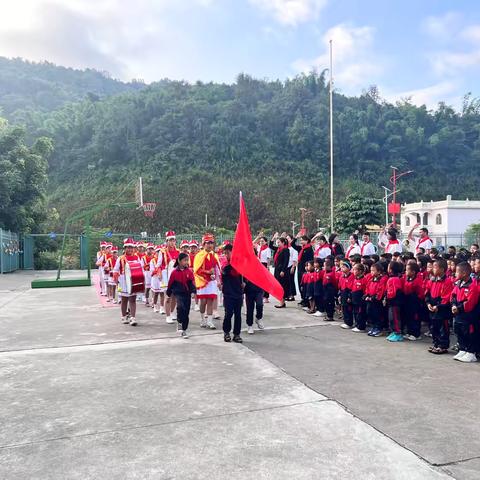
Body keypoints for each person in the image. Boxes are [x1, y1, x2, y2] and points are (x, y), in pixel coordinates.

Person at [451, 262, 479, 362]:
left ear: (464, 273)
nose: (455, 274)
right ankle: (463, 349)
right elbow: (453, 295)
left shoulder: (472, 285)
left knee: (469, 332)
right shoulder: (458, 284)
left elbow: (470, 301)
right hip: (458, 314)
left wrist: (459, 308)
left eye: (457, 272)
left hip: (468, 315)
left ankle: (471, 352)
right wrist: (454, 305)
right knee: (459, 331)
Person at [425, 259, 453, 354]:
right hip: (432, 307)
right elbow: (427, 292)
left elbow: (446, 297)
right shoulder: (432, 280)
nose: (433, 269)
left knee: (442, 328)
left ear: (442, 269)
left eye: (435, 267)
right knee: (433, 327)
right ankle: (436, 343)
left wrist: (438, 306)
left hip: (442, 310)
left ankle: (443, 345)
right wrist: (428, 303)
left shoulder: (447, 281)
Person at [166, 252, 196, 339]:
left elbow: (191, 283)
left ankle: (184, 330)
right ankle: (179, 322)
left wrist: (193, 292)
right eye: (185, 260)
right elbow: (170, 284)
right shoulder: (174, 272)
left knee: (186, 312)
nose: (186, 262)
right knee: (180, 306)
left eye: (187, 260)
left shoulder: (189, 272)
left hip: (187, 294)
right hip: (178, 293)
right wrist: (168, 295)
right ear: (179, 261)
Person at [193, 233, 220, 329]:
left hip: (212, 282)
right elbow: (196, 270)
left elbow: (217, 269)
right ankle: (202, 319)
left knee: (210, 301)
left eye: (211, 243)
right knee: (203, 301)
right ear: (203, 244)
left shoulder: (215, 255)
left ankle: (210, 321)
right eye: (207, 243)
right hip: (203, 282)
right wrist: (207, 272)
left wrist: (219, 280)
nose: (209, 245)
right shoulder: (199, 255)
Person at [113, 238, 140, 326]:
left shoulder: (136, 257)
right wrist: (116, 279)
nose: (130, 249)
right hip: (124, 281)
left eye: (131, 247)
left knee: (133, 300)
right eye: (128, 247)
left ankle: (133, 317)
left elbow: (140, 268)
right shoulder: (120, 258)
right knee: (124, 300)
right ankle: (124, 316)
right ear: (124, 248)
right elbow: (115, 270)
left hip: (134, 280)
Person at [221, 244, 243, 343]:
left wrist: (245, 282)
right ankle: (226, 332)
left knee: (238, 314)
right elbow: (226, 270)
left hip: (238, 292)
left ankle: (237, 334)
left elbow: (245, 273)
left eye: (228, 253)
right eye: (225, 253)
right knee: (228, 313)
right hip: (228, 292)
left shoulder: (240, 263)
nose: (226, 255)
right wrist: (234, 261)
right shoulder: (225, 263)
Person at [402, 262, 424, 340]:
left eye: (408, 270)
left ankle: (416, 334)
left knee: (415, 318)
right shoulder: (407, 278)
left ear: (413, 272)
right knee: (408, 316)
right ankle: (409, 332)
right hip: (407, 300)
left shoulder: (417, 280)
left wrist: (418, 299)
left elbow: (421, 292)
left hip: (415, 301)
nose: (406, 271)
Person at [365, 262, 388, 337]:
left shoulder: (382, 279)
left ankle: (378, 328)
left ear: (379, 271)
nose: (371, 272)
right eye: (371, 270)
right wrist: (367, 295)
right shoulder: (371, 279)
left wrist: (374, 297)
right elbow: (368, 288)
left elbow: (380, 290)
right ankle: (374, 327)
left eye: (373, 270)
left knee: (377, 314)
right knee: (370, 313)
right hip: (370, 300)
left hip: (377, 301)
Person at [291, 234, 314, 307]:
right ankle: (303, 298)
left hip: (305, 269)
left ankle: (306, 301)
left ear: (307, 241)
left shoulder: (309, 249)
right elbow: (292, 244)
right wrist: (295, 238)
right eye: (300, 240)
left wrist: (308, 268)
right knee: (300, 283)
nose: (301, 241)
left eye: (302, 240)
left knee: (305, 285)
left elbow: (310, 259)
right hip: (300, 268)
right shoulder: (301, 248)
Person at [269, 233, 290, 308]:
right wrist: (273, 238)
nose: (277, 244)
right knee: (278, 285)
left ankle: (282, 302)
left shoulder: (286, 250)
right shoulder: (278, 250)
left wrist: (283, 270)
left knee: (282, 285)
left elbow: (286, 261)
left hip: (281, 270)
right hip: (277, 269)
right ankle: (281, 301)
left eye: (279, 242)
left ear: (283, 243)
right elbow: (270, 246)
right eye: (277, 242)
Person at [386, 261, 405, 342]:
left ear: (391, 269)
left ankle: (398, 333)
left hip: (394, 302)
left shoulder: (394, 279)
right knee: (391, 318)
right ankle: (393, 331)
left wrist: (388, 297)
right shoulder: (392, 278)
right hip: (391, 302)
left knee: (395, 318)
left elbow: (394, 291)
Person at [164, 231, 180, 324]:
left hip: (176, 276)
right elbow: (159, 265)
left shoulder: (178, 252)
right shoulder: (163, 252)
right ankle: (168, 316)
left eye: (173, 240)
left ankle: (172, 312)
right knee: (168, 297)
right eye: (170, 240)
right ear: (167, 241)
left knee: (175, 296)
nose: (172, 242)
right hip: (167, 276)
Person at [253, 235, 272, 303]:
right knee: (258, 281)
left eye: (263, 241)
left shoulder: (267, 249)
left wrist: (268, 267)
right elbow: (252, 243)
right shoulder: (259, 247)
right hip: (258, 265)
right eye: (260, 241)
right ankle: (259, 295)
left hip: (264, 264)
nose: (261, 242)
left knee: (265, 281)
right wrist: (258, 237)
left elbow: (268, 258)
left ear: (266, 242)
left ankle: (266, 297)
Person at [350, 263, 368, 332]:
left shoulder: (364, 280)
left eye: (355, 269)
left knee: (361, 313)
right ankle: (357, 324)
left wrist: (363, 298)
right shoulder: (355, 279)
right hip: (355, 300)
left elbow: (365, 290)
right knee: (355, 312)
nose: (353, 271)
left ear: (360, 271)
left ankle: (361, 327)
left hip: (361, 301)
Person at [151, 245, 166, 314]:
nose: (158, 253)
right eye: (157, 251)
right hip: (155, 278)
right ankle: (155, 305)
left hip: (161, 277)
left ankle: (162, 307)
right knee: (156, 293)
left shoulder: (163, 260)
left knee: (162, 293)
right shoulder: (153, 260)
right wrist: (158, 271)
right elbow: (152, 271)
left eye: (159, 251)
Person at [322, 257, 338, 322]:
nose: (324, 267)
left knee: (329, 303)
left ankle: (330, 316)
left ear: (329, 266)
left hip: (330, 290)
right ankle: (328, 315)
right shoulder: (325, 273)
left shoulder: (331, 274)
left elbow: (333, 282)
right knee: (326, 303)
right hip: (325, 290)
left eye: (325, 266)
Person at [286, 234, 298, 301]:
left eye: (288, 238)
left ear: (291, 239)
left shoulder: (294, 248)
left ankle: (292, 295)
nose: (287, 240)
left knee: (291, 281)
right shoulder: (286, 247)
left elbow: (295, 258)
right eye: (286, 238)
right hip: (286, 266)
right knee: (287, 281)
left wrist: (293, 267)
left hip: (291, 265)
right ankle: (288, 294)